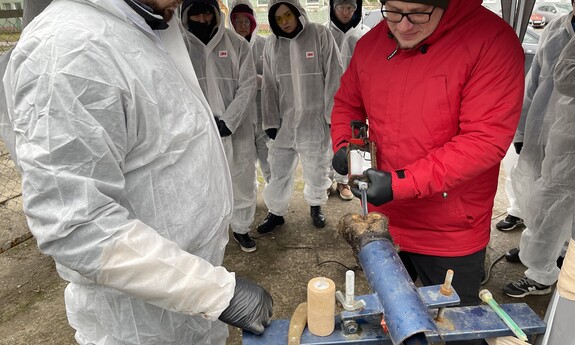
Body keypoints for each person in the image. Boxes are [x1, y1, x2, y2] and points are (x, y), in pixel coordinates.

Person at [0, 0, 273, 344]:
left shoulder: (146, 27)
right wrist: (214, 293)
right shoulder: (68, 50)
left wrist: (204, 288)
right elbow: (77, 224)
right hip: (139, 325)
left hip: (185, 305)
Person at [330, 2, 524, 344]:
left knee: (457, 327)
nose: (403, 27)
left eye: (418, 13)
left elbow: (484, 140)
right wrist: (345, 145)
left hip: (449, 226)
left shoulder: (490, 40)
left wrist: (402, 183)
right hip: (385, 217)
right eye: (393, 11)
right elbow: (348, 103)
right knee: (389, 319)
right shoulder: (372, 44)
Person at [502, 2, 575, 299]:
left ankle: (541, 272)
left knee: (554, 198)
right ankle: (544, 249)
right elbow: (535, 81)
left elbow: (566, 81)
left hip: (569, 135)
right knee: (537, 191)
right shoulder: (557, 27)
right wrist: (521, 130)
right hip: (544, 127)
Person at [256, 0, 343, 233]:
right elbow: (269, 85)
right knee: (278, 170)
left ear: (297, 12)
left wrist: (331, 116)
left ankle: (316, 206)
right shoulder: (272, 44)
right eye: (278, 18)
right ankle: (276, 212)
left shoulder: (319, 34)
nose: (284, 22)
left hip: (314, 121)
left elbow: (334, 75)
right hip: (284, 121)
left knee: (316, 166)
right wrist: (270, 120)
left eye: (288, 15)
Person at [180, 0, 259, 253]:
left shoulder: (237, 44)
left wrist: (228, 121)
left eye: (207, 12)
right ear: (185, 15)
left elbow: (247, 86)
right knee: (201, 183)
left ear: (216, 13)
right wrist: (202, 121)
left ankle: (242, 228)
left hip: (236, 131)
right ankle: (209, 233)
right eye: (196, 14)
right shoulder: (179, 48)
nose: (203, 19)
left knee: (242, 179)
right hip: (198, 132)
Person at [325, 0, 368, 201]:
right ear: (332, 8)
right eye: (341, 7)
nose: (346, 11)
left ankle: (343, 181)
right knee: (324, 146)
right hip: (326, 98)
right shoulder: (324, 34)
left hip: (353, 101)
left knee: (348, 143)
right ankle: (325, 182)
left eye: (350, 7)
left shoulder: (364, 36)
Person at [229, 0, 272, 185]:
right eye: (237, 21)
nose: (243, 25)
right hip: (239, 119)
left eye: (246, 21)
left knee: (270, 161)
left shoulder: (264, 45)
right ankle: (249, 201)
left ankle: (275, 207)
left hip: (263, 114)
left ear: (253, 23)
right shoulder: (227, 46)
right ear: (231, 22)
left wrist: (258, 81)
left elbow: (275, 76)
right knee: (243, 164)